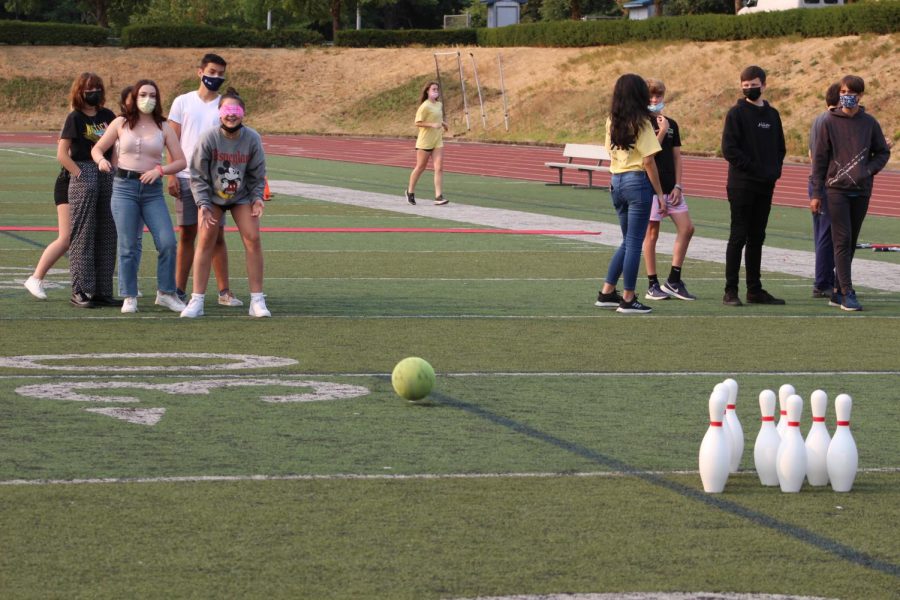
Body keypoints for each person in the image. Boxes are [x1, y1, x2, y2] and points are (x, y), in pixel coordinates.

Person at [91, 79, 187, 314]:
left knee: (167, 241)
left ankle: (166, 292)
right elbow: (97, 148)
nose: (148, 99)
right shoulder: (121, 123)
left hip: (152, 191)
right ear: (134, 97)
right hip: (124, 188)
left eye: (152, 95)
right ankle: (129, 295)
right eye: (143, 94)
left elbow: (181, 160)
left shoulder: (163, 127)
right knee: (128, 245)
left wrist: (160, 170)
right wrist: (102, 160)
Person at [180, 88, 270, 318]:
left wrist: (258, 197)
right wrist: (203, 204)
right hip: (212, 197)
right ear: (220, 113)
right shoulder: (209, 137)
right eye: (227, 110)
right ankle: (196, 300)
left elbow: (257, 173)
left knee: (253, 237)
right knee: (206, 238)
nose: (231, 114)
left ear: (244, 113)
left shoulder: (252, 138)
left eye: (236, 110)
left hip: (240, 196)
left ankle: (257, 300)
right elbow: (197, 174)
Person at [34, 73, 119, 308]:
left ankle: (103, 290)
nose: (94, 92)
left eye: (97, 88)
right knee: (82, 234)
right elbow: (62, 154)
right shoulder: (75, 118)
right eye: (89, 89)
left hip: (106, 172)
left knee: (107, 233)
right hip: (84, 171)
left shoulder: (108, 116)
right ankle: (81, 290)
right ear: (79, 92)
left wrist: (114, 165)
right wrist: (79, 173)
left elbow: (116, 143)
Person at [810, 74, 891, 312]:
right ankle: (847, 292)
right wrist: (816, 193)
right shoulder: (828, 121)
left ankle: (836, 289)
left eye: (852, 93)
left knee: (851, 241)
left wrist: (868, 170)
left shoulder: (869, 123)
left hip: (862, 190)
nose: (847, 96)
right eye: (844, 92)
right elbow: (820, 160)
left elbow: (882, 152)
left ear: (861, 95)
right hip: (836, 190)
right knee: (842, 239)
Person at [167, 53, 241, 307]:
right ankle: (178, 290)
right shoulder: (182, 101)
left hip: (214, 181)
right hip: (187, 176)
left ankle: (224, 292)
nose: (216, 77)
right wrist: (172, 174)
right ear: (200, 72)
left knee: (216, 235)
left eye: (221, 73)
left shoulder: (225, 105)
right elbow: (171, 138)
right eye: (212, 72)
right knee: (187, 233)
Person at [594, 73, 665, 315]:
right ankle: (628, 297)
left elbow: (608, 150)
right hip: (636, 182)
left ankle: (606, 292)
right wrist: (661, 194)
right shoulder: (642, 122)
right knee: (635, 243)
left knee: (627, 241)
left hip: (616, 180)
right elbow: (648, 161)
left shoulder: (611, 120)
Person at [721, 65, 786, 307]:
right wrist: (754, 169)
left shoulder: (773, 115)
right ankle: (730, 290)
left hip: (765, 185)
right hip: (741, 185)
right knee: (738, 235)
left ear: (764, 85)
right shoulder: (736, 114)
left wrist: (774, 171)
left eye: (754, 85)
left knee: (757, 237)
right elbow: (729, 149)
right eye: (745, 85)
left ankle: (754, 289)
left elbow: (780, 148)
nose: (749, 89)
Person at [641, 78, 696, 302]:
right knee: (652, 233)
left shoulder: (672, 123)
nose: (655, 100)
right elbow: (648, 155)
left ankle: (674, 280)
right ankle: (652, 283)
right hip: (650, 187)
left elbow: (676, 157)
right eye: (651, 97)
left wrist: (678, 185)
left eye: (659, 96)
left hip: (671, 189)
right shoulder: (642, 123)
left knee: (687, 228)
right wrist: (661, 131)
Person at [807, 82, 840, 299]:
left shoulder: (818, 120)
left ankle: (826, 279)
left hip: (819, 181)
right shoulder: (831, 122)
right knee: (828, 234)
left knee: (824, 233)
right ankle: (823, 282)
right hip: (827, 182)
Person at [405, 81, 449, 206]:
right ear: (427, 91)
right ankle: (410, 192)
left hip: (437, 140)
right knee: (420, 167)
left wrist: (443, 124)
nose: (436, 91)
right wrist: (431, 125)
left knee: (439, 168)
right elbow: (417, 122)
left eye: (437, 89)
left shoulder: (439, 104)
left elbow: (438, 119)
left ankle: (438, 196)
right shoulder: (424, 106)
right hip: (425, 141)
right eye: (433, 89)